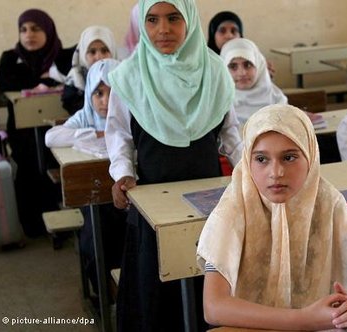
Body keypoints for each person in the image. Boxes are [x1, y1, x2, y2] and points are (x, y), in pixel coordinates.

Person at [105, 0, 242, 330]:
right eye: (152, 20)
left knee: (209, 274)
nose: (162, 29)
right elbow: (119, 133)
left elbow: (230, 132)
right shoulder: (129, 76)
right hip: (154, 200)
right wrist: (123, 172)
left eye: (173, 18)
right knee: (158, 287)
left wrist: (246, 169)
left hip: (209, 199)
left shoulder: (214, 70)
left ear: (190, 21)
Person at [197, 104, 347, 331]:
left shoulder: (327, 201)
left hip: (323, 324)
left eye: (289, 157)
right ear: (247, 161)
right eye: (261, 159)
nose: (276, 172)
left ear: (311, 155)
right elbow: (214, 307)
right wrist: (302, 320)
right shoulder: (233, 209)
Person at [45, 58, 126, 300]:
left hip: (124, 196)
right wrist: (95, 133)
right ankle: (103, 290)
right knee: (93, 236)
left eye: (112, 92)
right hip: (95, 200)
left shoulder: (130, 114)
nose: (105, 100)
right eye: (98, 93)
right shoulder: (85, 116)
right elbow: (51, 137)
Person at [0, 8, 74, 237]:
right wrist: (41, 80)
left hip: (57, 127)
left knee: (58, 163)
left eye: (36, 28)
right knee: (29, 167)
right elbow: (6, 82)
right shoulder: (10, 57)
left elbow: (72, 79)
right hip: (23, 133)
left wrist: (33, 83)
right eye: (24, 29)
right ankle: (34, 226)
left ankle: (64, 224)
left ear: (48, 30)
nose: (29, 34)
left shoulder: (62, 56)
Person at [220, 38, 287, 124]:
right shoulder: (218, 107)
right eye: (233, 66)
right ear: (223, 69)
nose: (242, 73)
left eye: (248, 65)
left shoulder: (279, 103)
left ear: (259, 65)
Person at [62, 26, 118, 114]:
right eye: (92, 52)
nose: (99, 57)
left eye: (104, 51)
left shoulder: (121, 76)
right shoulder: (75, 79)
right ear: (83, 54)